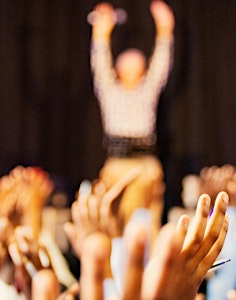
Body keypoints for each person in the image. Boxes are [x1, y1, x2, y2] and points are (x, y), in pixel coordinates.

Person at [89, 0, 174, 238]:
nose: (132, 64)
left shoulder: (147, 91)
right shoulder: (110, 91)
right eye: (125, 62)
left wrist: (165, 29)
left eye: (138, 61)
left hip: (145, 164)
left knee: (147, 228)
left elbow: (161, 64)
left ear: (144, 69)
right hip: (118, 163)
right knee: (116, 224)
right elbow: (100, 62)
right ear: (118, 70)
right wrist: (101, 32)